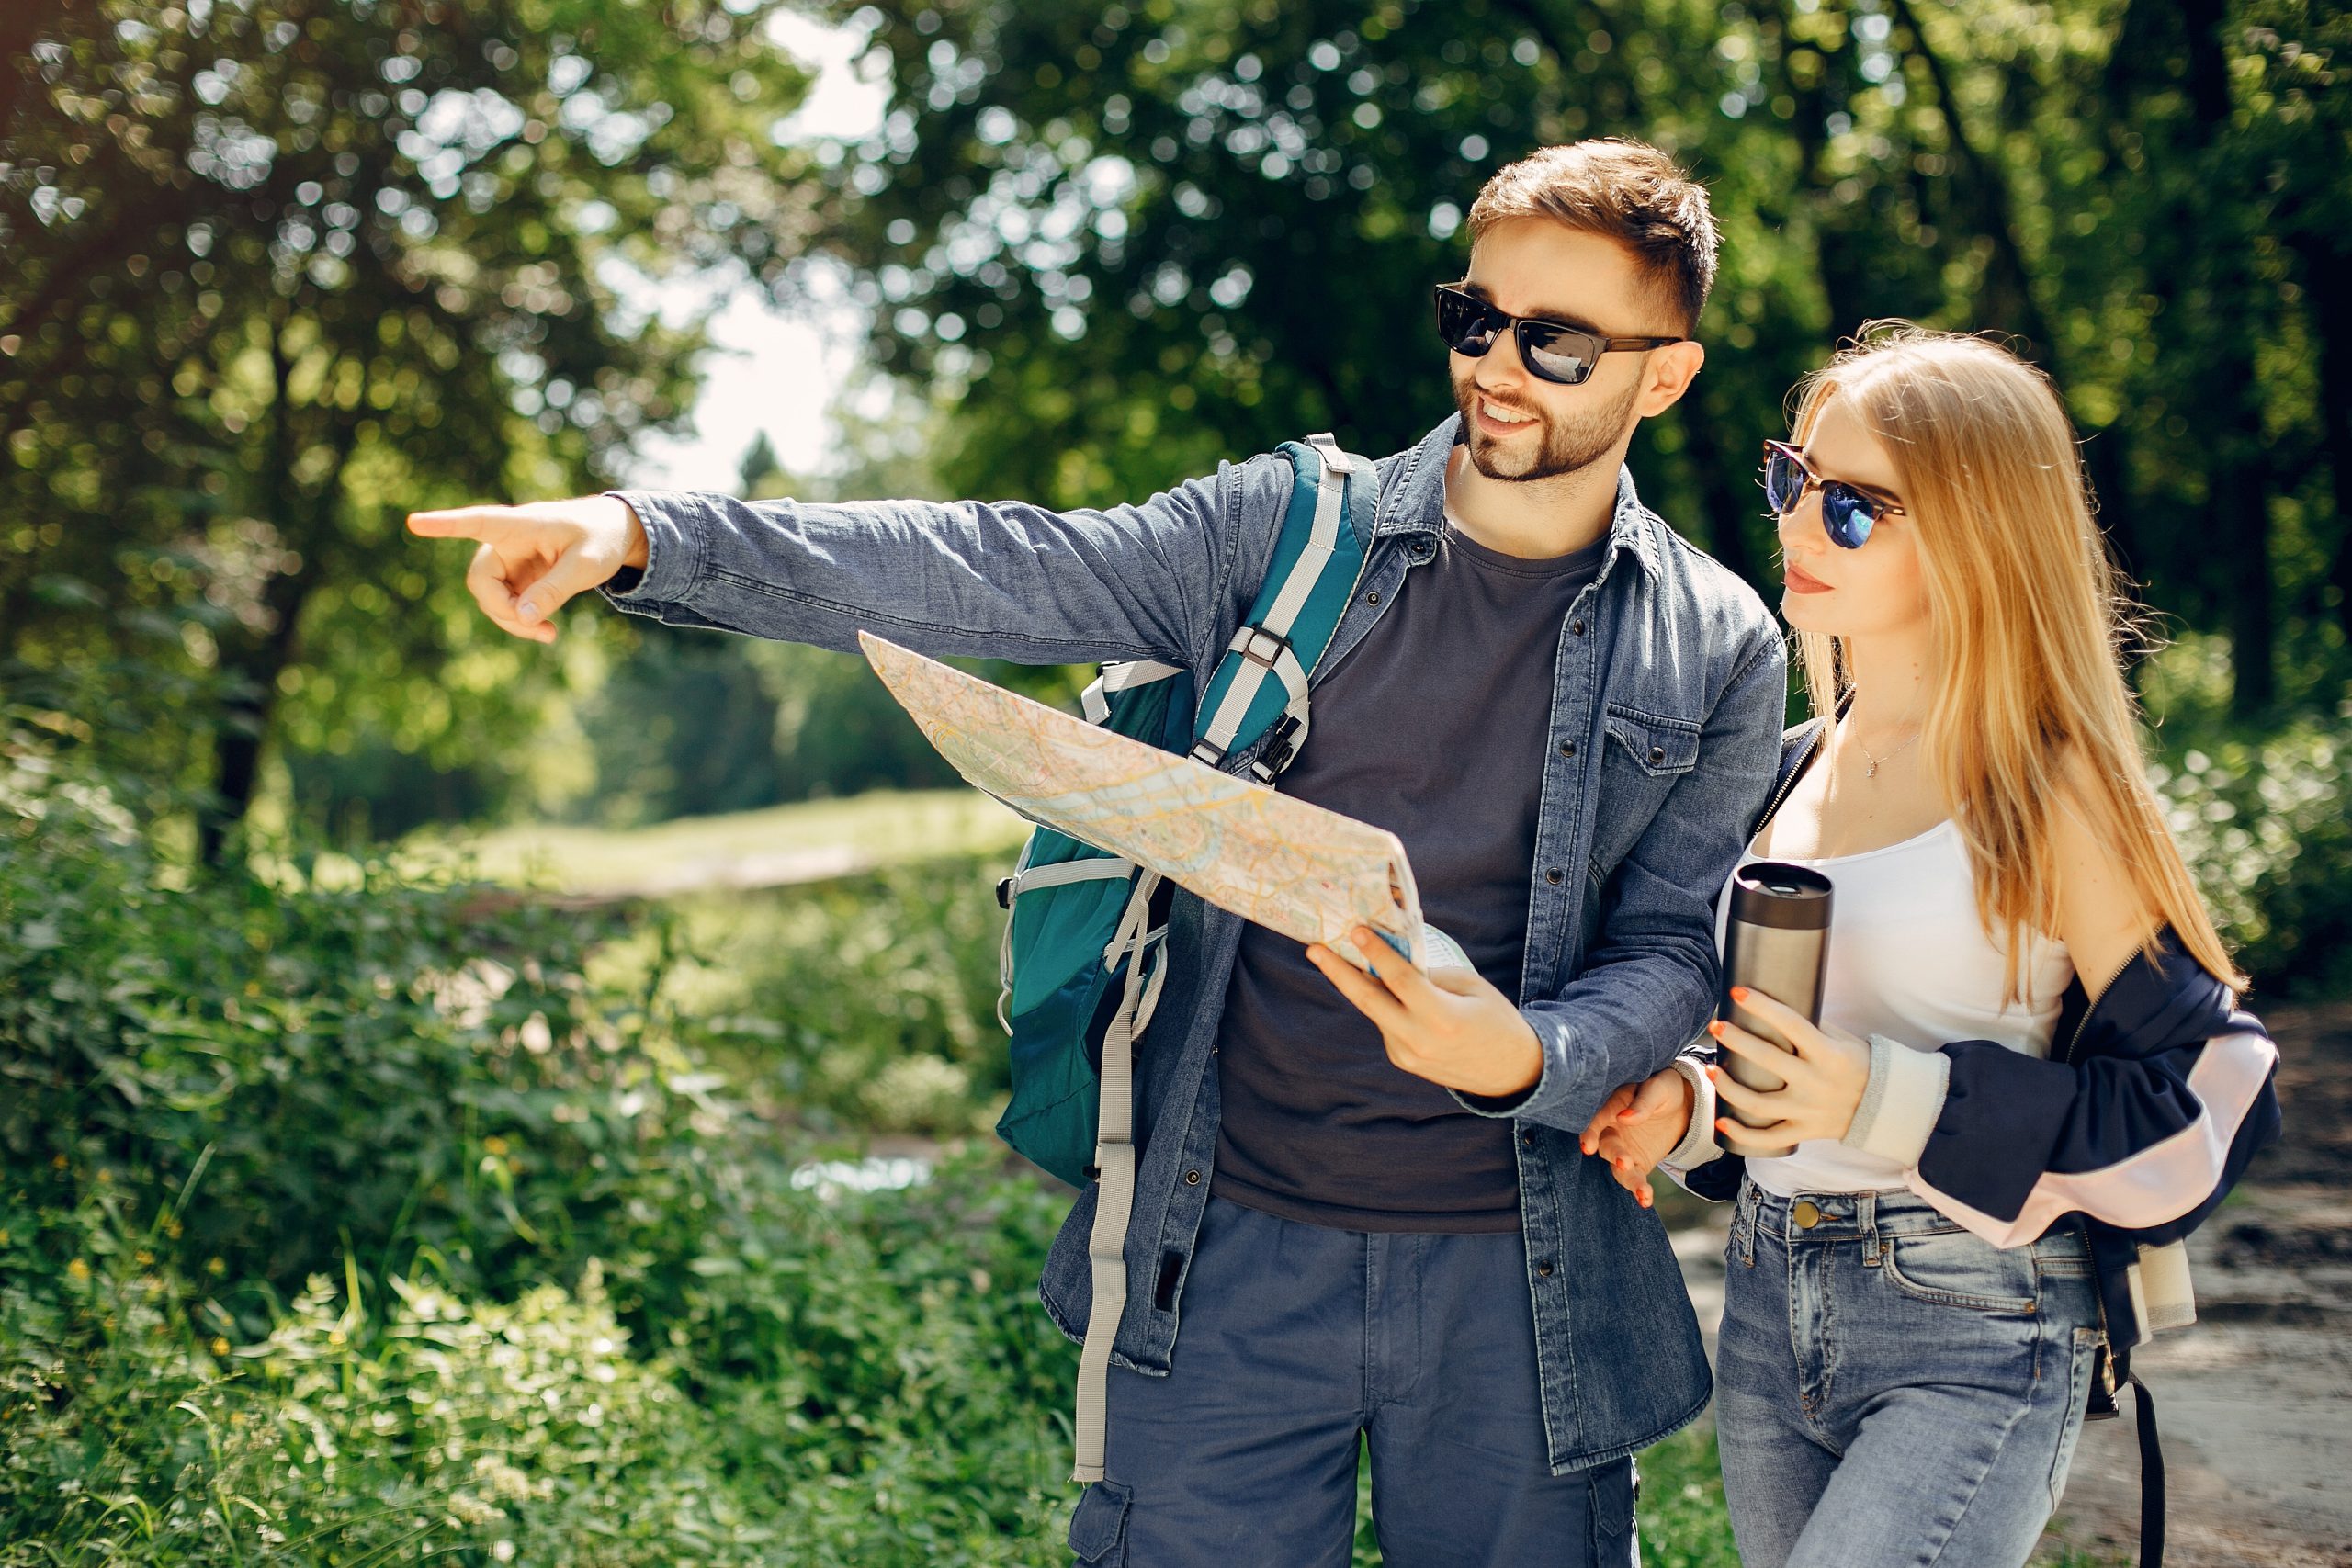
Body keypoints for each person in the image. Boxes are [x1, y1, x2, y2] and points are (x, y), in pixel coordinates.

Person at [410, 140, 1787, 1567]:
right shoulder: (1288, 532)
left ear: (1664, 374)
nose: (1496, 366)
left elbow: (1680, 946)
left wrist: (1525, 1056)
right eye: (1473, 318)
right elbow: (1000, 563)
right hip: (1226, 1259)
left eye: (1555, 339)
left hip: (1529, 1289)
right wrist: (642, 533)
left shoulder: (1722, 644)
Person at [1583, 325, 2284, 1568]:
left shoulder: (2046, 791)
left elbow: (2206, 1100)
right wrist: (1688, 1104)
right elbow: (1772, 1056)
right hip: (1764, 1306)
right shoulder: (1786, 771)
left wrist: (1878, 1092)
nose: (1798, 528)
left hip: (1974, 1318)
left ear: (1977, 538)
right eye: (1794, 480)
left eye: (1852, 509)